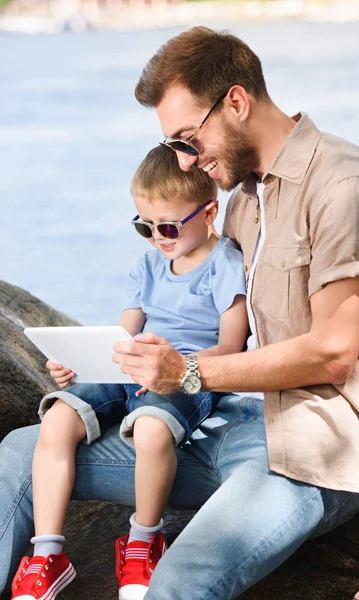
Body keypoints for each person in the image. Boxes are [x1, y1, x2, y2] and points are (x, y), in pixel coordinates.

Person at [1, 25, 359, 600]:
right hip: (234, 422)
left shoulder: (345, 186)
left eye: (188, 138)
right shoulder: (244, 202)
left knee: (181, 580)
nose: (186, 158)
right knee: (20, 450)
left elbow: (334, 352)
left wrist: (185, 372)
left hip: (316, 448)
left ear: (235, 102)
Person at [7, 145, 248, 600]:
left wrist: (176, 368)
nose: (158, 237)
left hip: (186, 375)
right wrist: (79, 362)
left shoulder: (225, 264)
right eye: (145, 226)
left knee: (152, 430)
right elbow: (125, 329)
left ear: (209, 211)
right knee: (58, 418)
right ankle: (47, 554)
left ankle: (142, 542)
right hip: (131, 365)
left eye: (169, 226)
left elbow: (231, 349)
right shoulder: (149, 263)